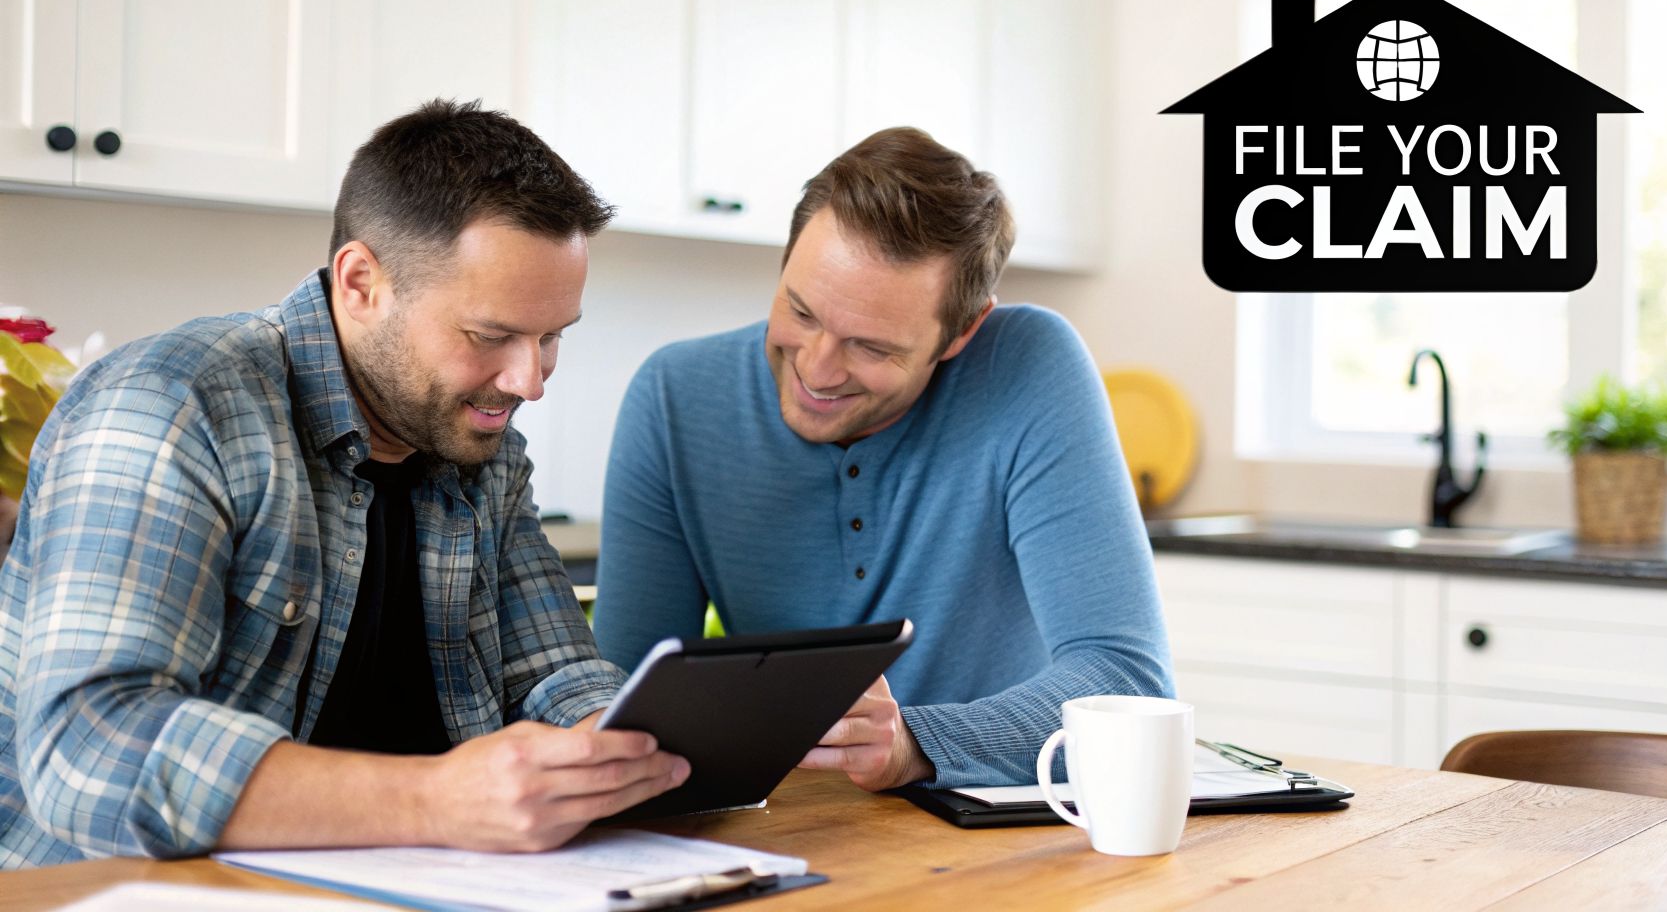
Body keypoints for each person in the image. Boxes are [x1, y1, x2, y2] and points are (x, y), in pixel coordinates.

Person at [0, 100, 688, 868]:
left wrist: (615, 747)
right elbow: (89, 748)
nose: (529, 381)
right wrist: (437, 800)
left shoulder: (479, 444)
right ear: (361, 283)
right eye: (490, 336)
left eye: (551, 337)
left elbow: (552, 672)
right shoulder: (170, 404)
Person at [592, 127, 1172, 791]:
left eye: (872, 347)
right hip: (795, 819)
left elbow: (1129, 686)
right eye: (801, 312)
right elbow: (624, 701)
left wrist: (914, 744)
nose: (817, 369)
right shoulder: (674, 396)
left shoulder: (1027, 366)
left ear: (961, 332)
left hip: (1000, 819)